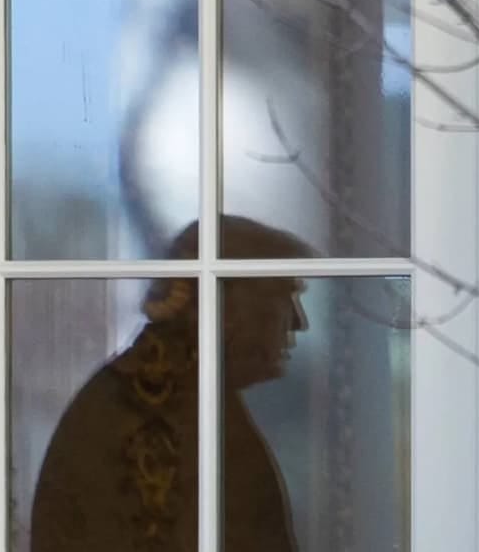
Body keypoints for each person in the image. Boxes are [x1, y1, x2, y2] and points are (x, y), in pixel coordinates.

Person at [30, 215, 311, 552]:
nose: (299, 322)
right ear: (229, 308)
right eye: (284, 296)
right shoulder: (176, 412)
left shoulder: (147, 398)